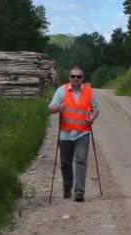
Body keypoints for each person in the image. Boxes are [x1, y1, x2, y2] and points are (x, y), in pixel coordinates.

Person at [48, 66, 100, 202]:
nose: (76, 79)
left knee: (81, 160)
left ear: (83, 78)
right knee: (65, 162)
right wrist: (58, 108)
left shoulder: (89, 92)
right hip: (65, 133)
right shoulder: (61, 91)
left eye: (79, 76)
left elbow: (96, 108)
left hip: (82, 133)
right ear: (69, 78)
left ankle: (79, 192)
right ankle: (67, 187)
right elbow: (50, 108)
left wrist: (92, 118)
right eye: (73, 76)